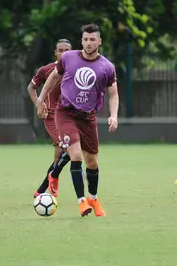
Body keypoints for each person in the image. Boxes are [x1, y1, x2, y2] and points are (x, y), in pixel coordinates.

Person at [36, 23, 119, 217]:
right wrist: (41, 99)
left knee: (92, 162)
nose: (88, 43)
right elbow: (53, 77)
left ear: (99, 41)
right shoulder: (68, 58)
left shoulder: (107, 67)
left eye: (92, 39)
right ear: (81, 41)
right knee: (76, 156)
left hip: (88, 117)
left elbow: (113, 94)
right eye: (85, 39)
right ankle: (82, 203)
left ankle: (93, 198)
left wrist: (113, 115)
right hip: (65, 113)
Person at [27, 39, 72, 198]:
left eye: (67, 50)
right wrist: (38, 104)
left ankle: (41, 190)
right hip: (52, 116)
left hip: (69, 117)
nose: (64, 53)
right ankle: (51, 182)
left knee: (59, 156)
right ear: (55, 52)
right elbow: (31, 87)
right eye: (60, 50)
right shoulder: (47, 70)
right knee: (69, 148)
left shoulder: (76, 69)